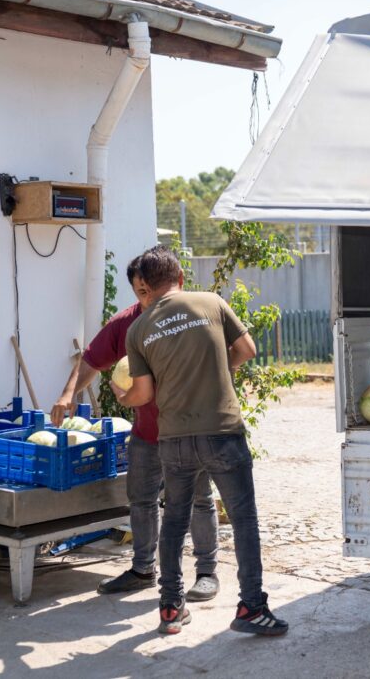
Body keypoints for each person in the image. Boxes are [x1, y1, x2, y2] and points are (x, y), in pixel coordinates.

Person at [116, 245, 288, 637]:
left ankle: (171, 608)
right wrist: (214, 365)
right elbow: (247, 350)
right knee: (243, 519)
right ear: (179, 278)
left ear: (146, 285)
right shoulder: (210, 302)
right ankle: (251, 608)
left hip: (173, 438)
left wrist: (125, 397)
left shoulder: (138, 329)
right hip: (222, 432)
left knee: (174, 519)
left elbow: (142, 394)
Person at [50, 255, 220, 603]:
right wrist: (68, 393)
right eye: (140, 292)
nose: (148, 300)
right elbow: (91, 360)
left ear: (177, 283)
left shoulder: (193, 316)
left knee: (199, 500)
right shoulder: (128, 323)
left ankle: (207, 572)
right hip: (147, 433)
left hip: (191, 431)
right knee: (141, 501)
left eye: (152, 292)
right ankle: (143, 569)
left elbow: (232, 352)